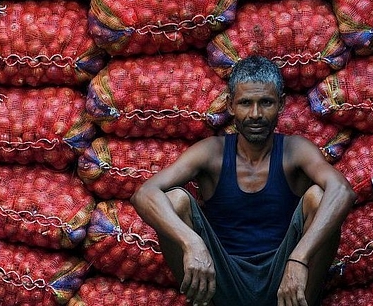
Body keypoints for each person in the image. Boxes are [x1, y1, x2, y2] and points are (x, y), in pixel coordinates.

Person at [131, 55, 356, 306]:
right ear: (230, 106)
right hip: (222, 279)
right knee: (175, 200)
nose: (256, 114)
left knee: (319, 197)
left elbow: (342, 191)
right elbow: (145, 193)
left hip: (284, 280)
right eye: (246, 103)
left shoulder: (295, 150)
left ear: (281, 105)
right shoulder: (212, 153)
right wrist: (191, 242)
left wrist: (298, 259)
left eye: (266, 103)